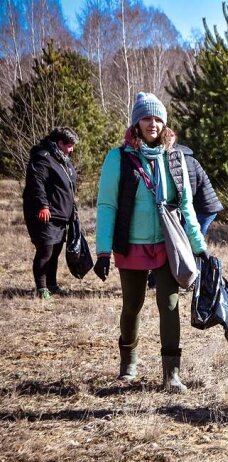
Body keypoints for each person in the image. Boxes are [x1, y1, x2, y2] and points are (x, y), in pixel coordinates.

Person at [93, 92, 208, 393]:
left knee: (169, 304)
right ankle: (128, 364)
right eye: (146, 118)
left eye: (158, 118)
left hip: (167, 246)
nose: (152, 123)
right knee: (133, 304)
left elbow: (186, 207)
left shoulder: (176, 157)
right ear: (136, 122)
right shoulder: (118, 158)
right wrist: (103, 250)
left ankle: (172, 374)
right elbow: (107, 205)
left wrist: (199, 246)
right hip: (130, 244)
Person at [147, 147, 222, 289]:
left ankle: (199, 279)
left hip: (205, 209)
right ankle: (168, 276)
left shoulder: (185, 161)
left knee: (188, 243)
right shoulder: (183, 159)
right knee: (182, 241)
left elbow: (188, 193)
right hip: (199, 208)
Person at [22, 127, 80, 300]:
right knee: (45, 250)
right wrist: (43, 205)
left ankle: (52, 285)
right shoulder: (43, 157)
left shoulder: (63, 160)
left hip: (61, 214)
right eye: (69, 145)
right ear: (59, 143)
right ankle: (41, 288)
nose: (72, 149)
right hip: (45, 214)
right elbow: (36, 182)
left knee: (55, 251)